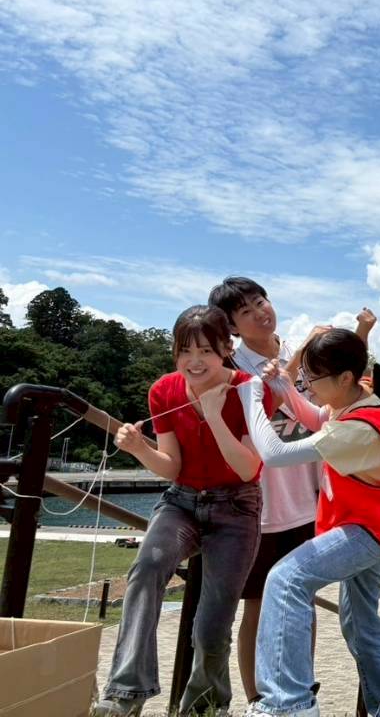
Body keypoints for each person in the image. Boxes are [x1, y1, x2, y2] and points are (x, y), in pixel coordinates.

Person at [207, 276, 377, 704]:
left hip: (309, 499)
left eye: (260, 301)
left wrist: (359, 333)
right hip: (260, 503)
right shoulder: (234, 366)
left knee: (302, 599)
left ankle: (300, 692)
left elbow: (342, 392)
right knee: (258, 605)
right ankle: (255, 700)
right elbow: (263, 400)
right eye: (245, 311)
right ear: (232, 326)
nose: (260, 313)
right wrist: (301, 352)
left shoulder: (303, 354)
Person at [240, 328, 380, 717]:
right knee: (361, 625)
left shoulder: (358, 430)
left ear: (344, 378)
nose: (307, 385)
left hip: (368, 530)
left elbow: (274, 454)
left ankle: (288, 704)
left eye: (312, 378)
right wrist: (284, 386)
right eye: (304, 376)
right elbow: (316, 417)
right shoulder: (361, 397)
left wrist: (252, 400)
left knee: (286, 579)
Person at [93, 307, 263, 717]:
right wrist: (139, 448)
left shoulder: (250, 390)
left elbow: (248, 468)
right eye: (185, 351)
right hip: (182, 500)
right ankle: (125, 695)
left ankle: (205, 706)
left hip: (236, 506)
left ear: (227, 348)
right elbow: (171, 467)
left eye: (206, 350)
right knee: (146, 569)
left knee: (213, 621)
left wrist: (214, 415)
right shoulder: (164, 391)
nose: (194, 361)